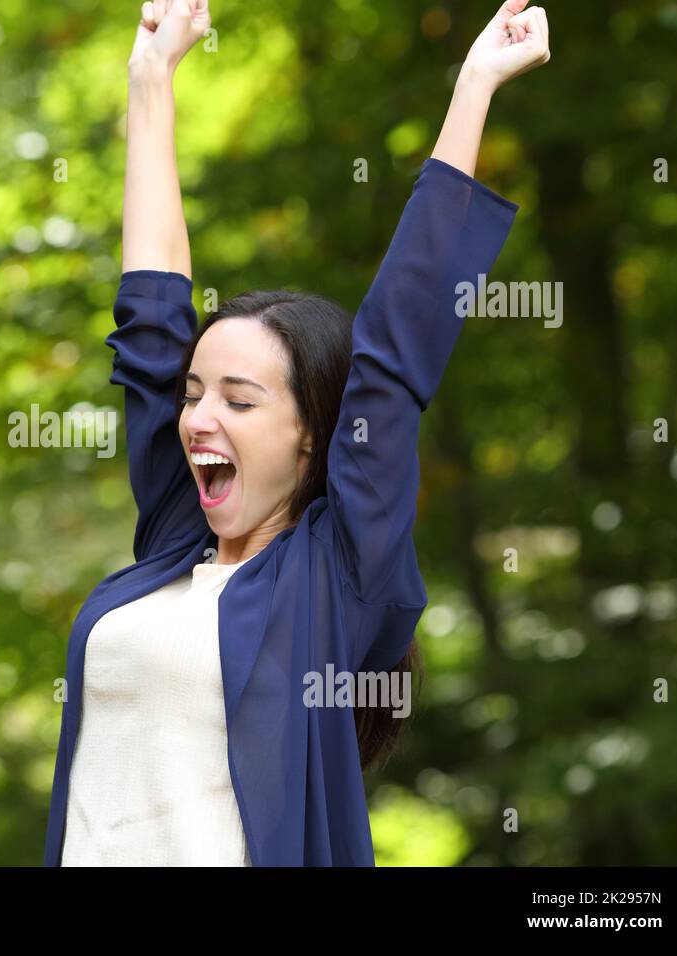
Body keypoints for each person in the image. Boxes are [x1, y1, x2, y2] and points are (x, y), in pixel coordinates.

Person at [44, 0, 551, 866]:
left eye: (240, 401)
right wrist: (150, 80)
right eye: (195, 393)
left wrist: (473, 87)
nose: (199, 417)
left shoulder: (339, 577)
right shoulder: (176, 537)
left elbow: (392, 359)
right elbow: (151, 321)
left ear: (315, 436)